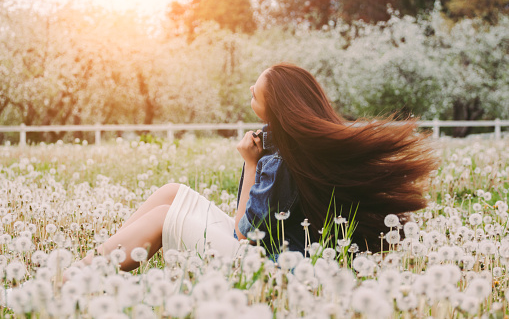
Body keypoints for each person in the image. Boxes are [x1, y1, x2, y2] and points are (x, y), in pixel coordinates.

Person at [80, 63, 437, 271]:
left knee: (161, 218)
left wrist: (250, 165)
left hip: (261, 267)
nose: (250, 88)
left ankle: (80, 277)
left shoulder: (280, 161)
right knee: (171, 192)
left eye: (256, 92)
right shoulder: (290, 146)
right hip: (265, 251)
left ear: (277, 109)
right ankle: (98, 257)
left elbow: (243, 236)